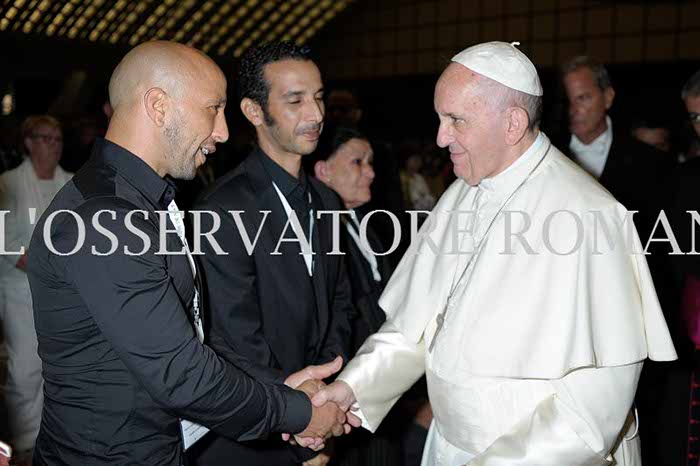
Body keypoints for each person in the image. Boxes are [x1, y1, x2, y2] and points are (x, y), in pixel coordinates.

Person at [309, 41, 678, 466]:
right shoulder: (463, 193)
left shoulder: (592, 217)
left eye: (456, 121)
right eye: (440, 118)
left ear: (512, 124)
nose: (440, 137)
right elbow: (420, 325)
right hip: (449, 448)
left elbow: (592, 415)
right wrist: (353, 387)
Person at [26, 41, 348, 466]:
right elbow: (183, 375)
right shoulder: (105, 218)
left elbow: (194, 339)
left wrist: (281, 389)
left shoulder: (143, 202)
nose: (223, 131)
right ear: (158, 106)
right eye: (212, 108)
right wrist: (301, 414)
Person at [192, 41, 354, 466]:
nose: (316, 114)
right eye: (295, 100)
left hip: (317, 417)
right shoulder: (222, 209)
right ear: (253, 111)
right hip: (253, 434)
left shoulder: (327, 201)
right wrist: (300, 412)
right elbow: (232, 338)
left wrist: (325, 393)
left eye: (318, 97)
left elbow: (340, 303)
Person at [0, 115, 72, 465]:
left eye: (58, 139)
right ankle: (26, 440)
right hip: (19, 291)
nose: (53, 145)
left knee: (59, 364)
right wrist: (44, 262)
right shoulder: (7, 183)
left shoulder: (72, 183)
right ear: (27, 142)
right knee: (24, 366)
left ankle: (54, 433)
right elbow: (5, 240)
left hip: (63, 293)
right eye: (46, 138)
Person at [559, 56, 676, 242]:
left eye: (583, 98)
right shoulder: (546, 156)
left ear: (607, 97)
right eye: (568, 100)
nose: (574, 109)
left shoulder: (649, 162)